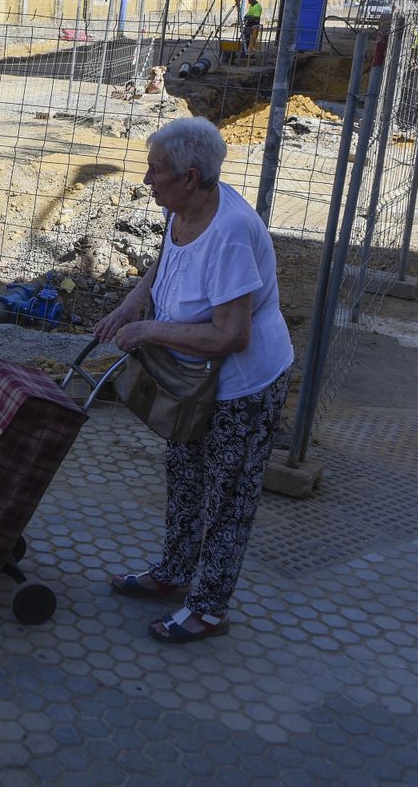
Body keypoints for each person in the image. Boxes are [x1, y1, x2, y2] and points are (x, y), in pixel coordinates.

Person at [93, 116, 294, 644]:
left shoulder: (229, 234)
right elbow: (166, 261)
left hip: (243, 385)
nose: (146, 179)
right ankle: (176, 574)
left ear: (189, 175)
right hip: (196, 378)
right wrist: (129, 306)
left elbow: (232, 335)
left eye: (155, 170)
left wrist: (149, 329)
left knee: (226, 497)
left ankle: (208, 607)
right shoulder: (182, 209)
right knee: (185, 477)